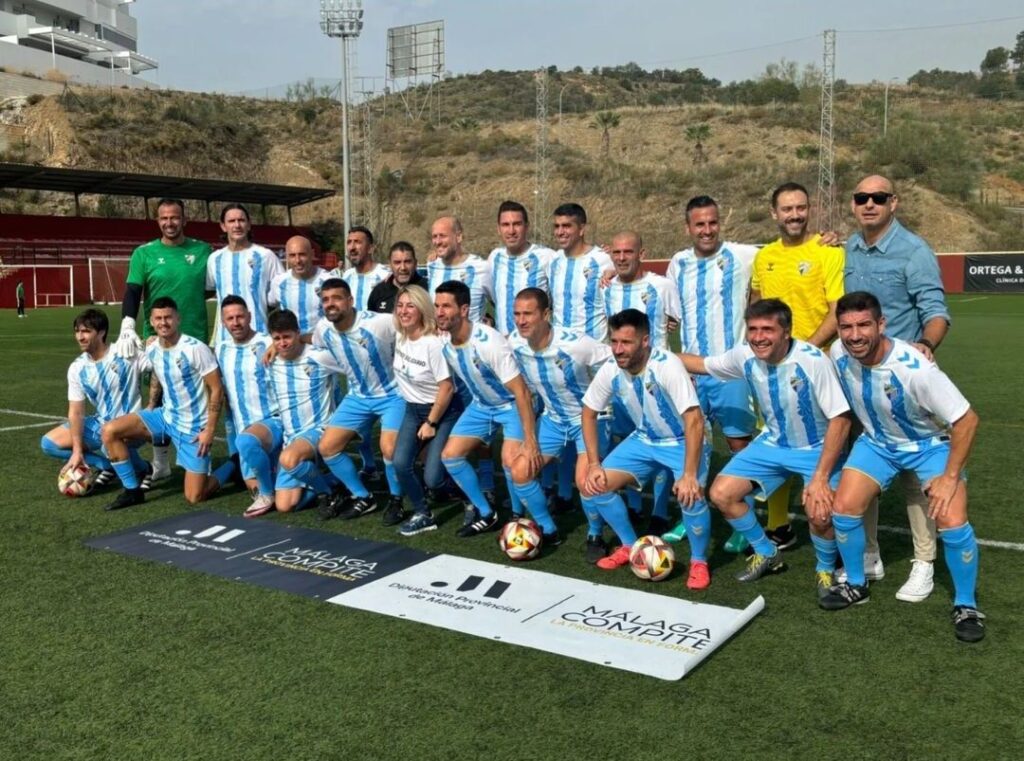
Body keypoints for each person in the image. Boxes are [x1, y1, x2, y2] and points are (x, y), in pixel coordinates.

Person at [823, 291, 984, 643]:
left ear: (882, 324)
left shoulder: (916, 369)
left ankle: (966, 605)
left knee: (952, 520)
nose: (854, 335)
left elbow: (967, 420)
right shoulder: (839, 353)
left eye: (864, 325)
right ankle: (856, 584)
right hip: (878, 443)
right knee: (844, 507)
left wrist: (949, 477)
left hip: (929, 446)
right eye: (846, 327)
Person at [680, 299, 851, 597]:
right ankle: (767, 553)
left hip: (816, 448)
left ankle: (826, 569)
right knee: (721, 493)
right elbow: (703, 364)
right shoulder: (745, 355)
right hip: (772, 443)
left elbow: (841, 418)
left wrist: (822, 477)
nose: (759, 337)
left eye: (768, 330)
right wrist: (654, 355)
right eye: (753, 329)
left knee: (820, 513)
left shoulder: (813, 361)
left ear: (786, 332)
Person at [842, 174, 951, 602]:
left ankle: (923, 563)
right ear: (854, 205)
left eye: (878, 198)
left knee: (915, 476)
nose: (869, 204)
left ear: (894, 203)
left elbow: (936, 312)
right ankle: (869, 554)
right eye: (861, 198)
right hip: (860, 380)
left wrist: (925, 344)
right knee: (862, 467)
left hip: (904, 381)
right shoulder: (849, 247)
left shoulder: (915, 251)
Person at [580, 309, 710, 588]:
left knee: (691, 495)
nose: (618, 350)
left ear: (646, 341)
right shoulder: (611, 368)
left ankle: (699, 562)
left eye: (626, 343)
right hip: (644, 439)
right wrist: (593, 463)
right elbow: (588, 412)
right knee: (594, 484)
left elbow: (694, 420)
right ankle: (629, 546)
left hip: (681, 440)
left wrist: (688, 474)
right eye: (614, 342)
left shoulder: (667, 365)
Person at [747, 182, 846, 550]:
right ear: (774, 213)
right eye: (786, 209)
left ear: (810, 210)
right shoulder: (764, 256)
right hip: (771, 371)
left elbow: (837, 311)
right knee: (775, 438)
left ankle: (834, 525)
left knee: (824, 446)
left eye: (800, 208)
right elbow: (756, 302)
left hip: (815, 366)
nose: (794, 215)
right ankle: (778, 525)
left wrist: (803, 352)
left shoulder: (828, 252)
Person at [665, 195, 760, 554]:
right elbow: (671, 311)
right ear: (688, 228)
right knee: (693, 443)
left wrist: (824, 238)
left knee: (739, 445)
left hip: (731, 369)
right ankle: (691, 512)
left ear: (720, 223)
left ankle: (743, 515)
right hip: (691, 371)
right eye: (700, 224)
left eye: (712, 222)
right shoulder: (678, 263)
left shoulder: (744, 255)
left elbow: (785, 246)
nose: (707, 230)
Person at [111, 198, 213, 481]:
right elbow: (132, 291)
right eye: (164, 218)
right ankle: (161, 462)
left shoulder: (203, 251)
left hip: (196, 340)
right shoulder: (144, 254)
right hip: (159, 342)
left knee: (201, 401)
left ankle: (202, 457)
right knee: (159, 400)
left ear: (184, 219)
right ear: (158, 221)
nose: (170, 223)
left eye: (175, 217)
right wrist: (128, 325)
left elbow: (208, 290)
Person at [100, 297, 233, 510]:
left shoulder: (195, 348)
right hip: (165, 417)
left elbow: (216, 388)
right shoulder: (152, 348)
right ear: (152, 322)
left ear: (178, 319)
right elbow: (157, 375)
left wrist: (209, 430)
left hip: (192, 427)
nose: (163, 322)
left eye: (168, 317)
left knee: (195, 496)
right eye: (158, 318)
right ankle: (132, 491)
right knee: (110, 431)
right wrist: (152, 405)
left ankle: (232, 465)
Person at [510, 287, 613, 559]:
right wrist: (529, 440)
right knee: (519, 470)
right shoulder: (516, 343)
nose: (521, 321)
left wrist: (607, 398)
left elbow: (614, 359)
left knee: (585, 480)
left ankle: (595, 534)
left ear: (546, 314)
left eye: (528, 314)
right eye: (517, 314)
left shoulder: (576, 344)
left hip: (588, 420)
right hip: (553, 420)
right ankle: (548, 529)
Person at [436, 280, 544, 537]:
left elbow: (521, 392)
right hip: (482, 406)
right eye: (437, 306)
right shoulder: (444, 341)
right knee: (450, 456)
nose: (440, 312)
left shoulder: (489, 342)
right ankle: (487, 514)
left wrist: (530, 440)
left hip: (510, 405)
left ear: (463, 310)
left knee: (509, 460)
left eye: (446, 306)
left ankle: (518, 518)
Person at [604, 230, 681, 535]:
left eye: (628, 252)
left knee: (661, 439)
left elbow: (677, 322)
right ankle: (635, 505)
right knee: (626, 437)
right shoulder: (607, 288)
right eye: (617, 253)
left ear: (641, 253)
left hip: (658, 379)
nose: (622, 258)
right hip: (623, 379)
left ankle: (660, 510)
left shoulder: (661, 286)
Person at [313, 278, 405, 521]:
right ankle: (363, 496)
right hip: (358, 397)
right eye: (325, 299)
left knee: (388, 449)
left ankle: (397, 500)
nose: (330, 304)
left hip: (392, 395)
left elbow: (412, 326)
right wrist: (279, 345)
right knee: (327, 447)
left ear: (350, 301)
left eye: (337, 298)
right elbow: (310, 339)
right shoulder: (323, 328)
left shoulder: (379, 323)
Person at [40, 308, 151, 491]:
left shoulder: (124, 353)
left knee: (110, 440)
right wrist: (77, 451)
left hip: (133, 425)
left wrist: (152, 343)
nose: (80, 337)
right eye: (77, 331)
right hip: (102, 423)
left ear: (101, 332)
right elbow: (76, 411)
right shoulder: (77, 368)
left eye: (86, 331)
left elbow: (160, 366)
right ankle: (107, 466)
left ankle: (145, 469)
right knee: (49, 444)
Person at [388, 285, 462, 535]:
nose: (404, 311)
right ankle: (423, 512)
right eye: (400, 305)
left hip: (441, 411)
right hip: (413, 409)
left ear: (422, 309)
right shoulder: (400, 335)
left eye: (410, 305)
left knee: (433, 478)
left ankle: (469, 496)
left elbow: (447, 387)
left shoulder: (432, 344)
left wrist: (430, 422)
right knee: (400, 463)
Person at [266, 309, 342, 513]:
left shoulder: (318, 356)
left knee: (288, 459)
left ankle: (328, 494)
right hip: (291, 438)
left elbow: (347, 355)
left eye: (287, 337)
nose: (283, 343)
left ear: (297, 333)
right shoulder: (270, 360)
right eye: (277, 338)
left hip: (320, 430)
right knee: (284, 506)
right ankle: (331, 480)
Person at [216, 296, 283, 518]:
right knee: (280, 498)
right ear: (223, 323)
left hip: (274, 422)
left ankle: (270, 492)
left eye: (240, 317)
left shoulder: (268, 342)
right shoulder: (221, 349)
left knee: (278, 495)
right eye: (230, 319)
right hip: (245, 430)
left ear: (250, 317)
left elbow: (295, 343)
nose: (235, 323)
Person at [207, 203, 283, 346]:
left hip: (260, 337)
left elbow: (282, 294)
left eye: (241, 220)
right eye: (231, 221)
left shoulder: (266, 256)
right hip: (224, 340)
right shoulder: (214, 259)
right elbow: (210, 289)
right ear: (223, 226)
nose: (237, 225)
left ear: (249, 224)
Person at [489, 201, 556, 337]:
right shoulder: (494, 257)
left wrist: (610, 265)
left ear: (527, 227)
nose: (511, 231)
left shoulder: (546, 257)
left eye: (517, 224)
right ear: (498, 229)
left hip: (536, 345)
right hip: (505, 345)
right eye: (506, 225)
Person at [548, 203, 612, 341]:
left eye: (566, 226)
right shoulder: (553, 260)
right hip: (561, 350)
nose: (560, 232)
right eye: (557, 226)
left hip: (593, 351)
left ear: (582, 229)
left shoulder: (603, 259)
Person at [426, 216, 493, 323]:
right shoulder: (432, 265)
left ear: (458, 237)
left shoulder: (481, 267)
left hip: (471, 338)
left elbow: (499, 302)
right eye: (434, 236)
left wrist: (492, 323)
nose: (437, 241)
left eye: (442, 236)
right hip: (437, 338)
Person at [269, 235, 333, 338]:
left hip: (322, 346)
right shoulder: (279, 282)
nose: (298, 260)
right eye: (292, 255)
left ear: (312, 254)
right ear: (287, 257)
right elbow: (271, 304)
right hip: (291, 348)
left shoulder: (328, 280)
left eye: (302, 254)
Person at [332, 225, 391, 310]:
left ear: (370, 248)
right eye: (349, 242)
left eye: (357, 242)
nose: (352, 247)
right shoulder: (346, 276)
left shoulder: (386, 276)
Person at [368, 241, 429, 314]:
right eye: (397, 262)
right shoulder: (379, 291)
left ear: (415, 263)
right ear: (390, 265)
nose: (403, 267)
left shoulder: (428, 288)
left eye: (407, 262)